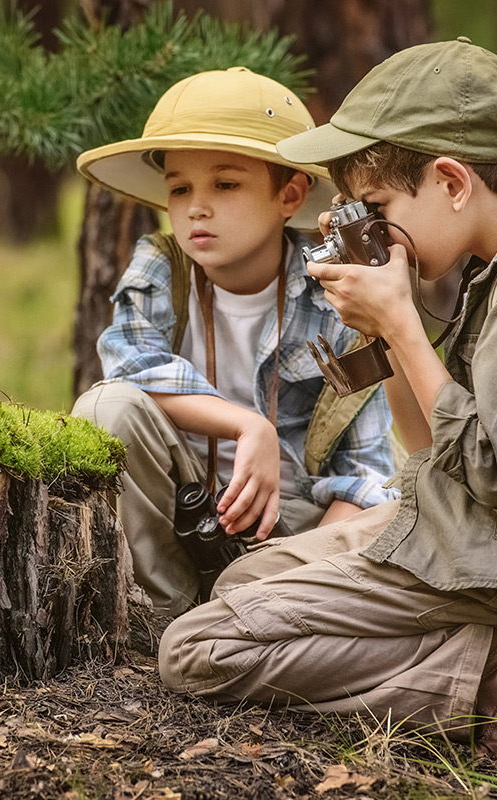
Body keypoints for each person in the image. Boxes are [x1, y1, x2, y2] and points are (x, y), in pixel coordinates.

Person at [158, 37, 497, 754]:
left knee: (198, 649)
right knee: (242, 582)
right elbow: (429, 444)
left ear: (453, 182)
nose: (364, 225)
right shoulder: (476, 277)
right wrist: (382, 331)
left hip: (479, 550)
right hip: (448, 521)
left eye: (375, 205)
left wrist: (403, 324)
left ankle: (477, 678)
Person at [72, 67, 398, 618]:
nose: (196, 206)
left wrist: (310, 562)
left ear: (289, 194)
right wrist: (248, 424)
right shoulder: (161, 266)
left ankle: (257, 607)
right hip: (176, 499)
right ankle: (161, 618)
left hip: (289, 523)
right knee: (106, 405)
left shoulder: (339, 298)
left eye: (225, 184)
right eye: (180, 188)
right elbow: (128, 363)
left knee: (390, 512)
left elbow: (364, 470)